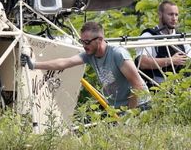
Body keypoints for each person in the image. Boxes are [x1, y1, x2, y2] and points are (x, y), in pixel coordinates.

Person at [21, 21, 150, 110]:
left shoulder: (117, 54)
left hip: (139, 105)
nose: (84, 45)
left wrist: (130, 115)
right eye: (82, 41)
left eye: (87, 42)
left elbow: (137, 85)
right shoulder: (89, 55)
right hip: (119, 108)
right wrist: (34, 64)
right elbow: (64, 63)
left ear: (99, 40)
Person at [135, 0, 191, 88]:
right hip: (157, 89)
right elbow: (142, 62)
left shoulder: (181, 38)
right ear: (160, 15)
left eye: (176, 15)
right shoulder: (149, 36)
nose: (174, 18)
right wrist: (171, 60)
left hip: (181, 89)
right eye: (170, 14)